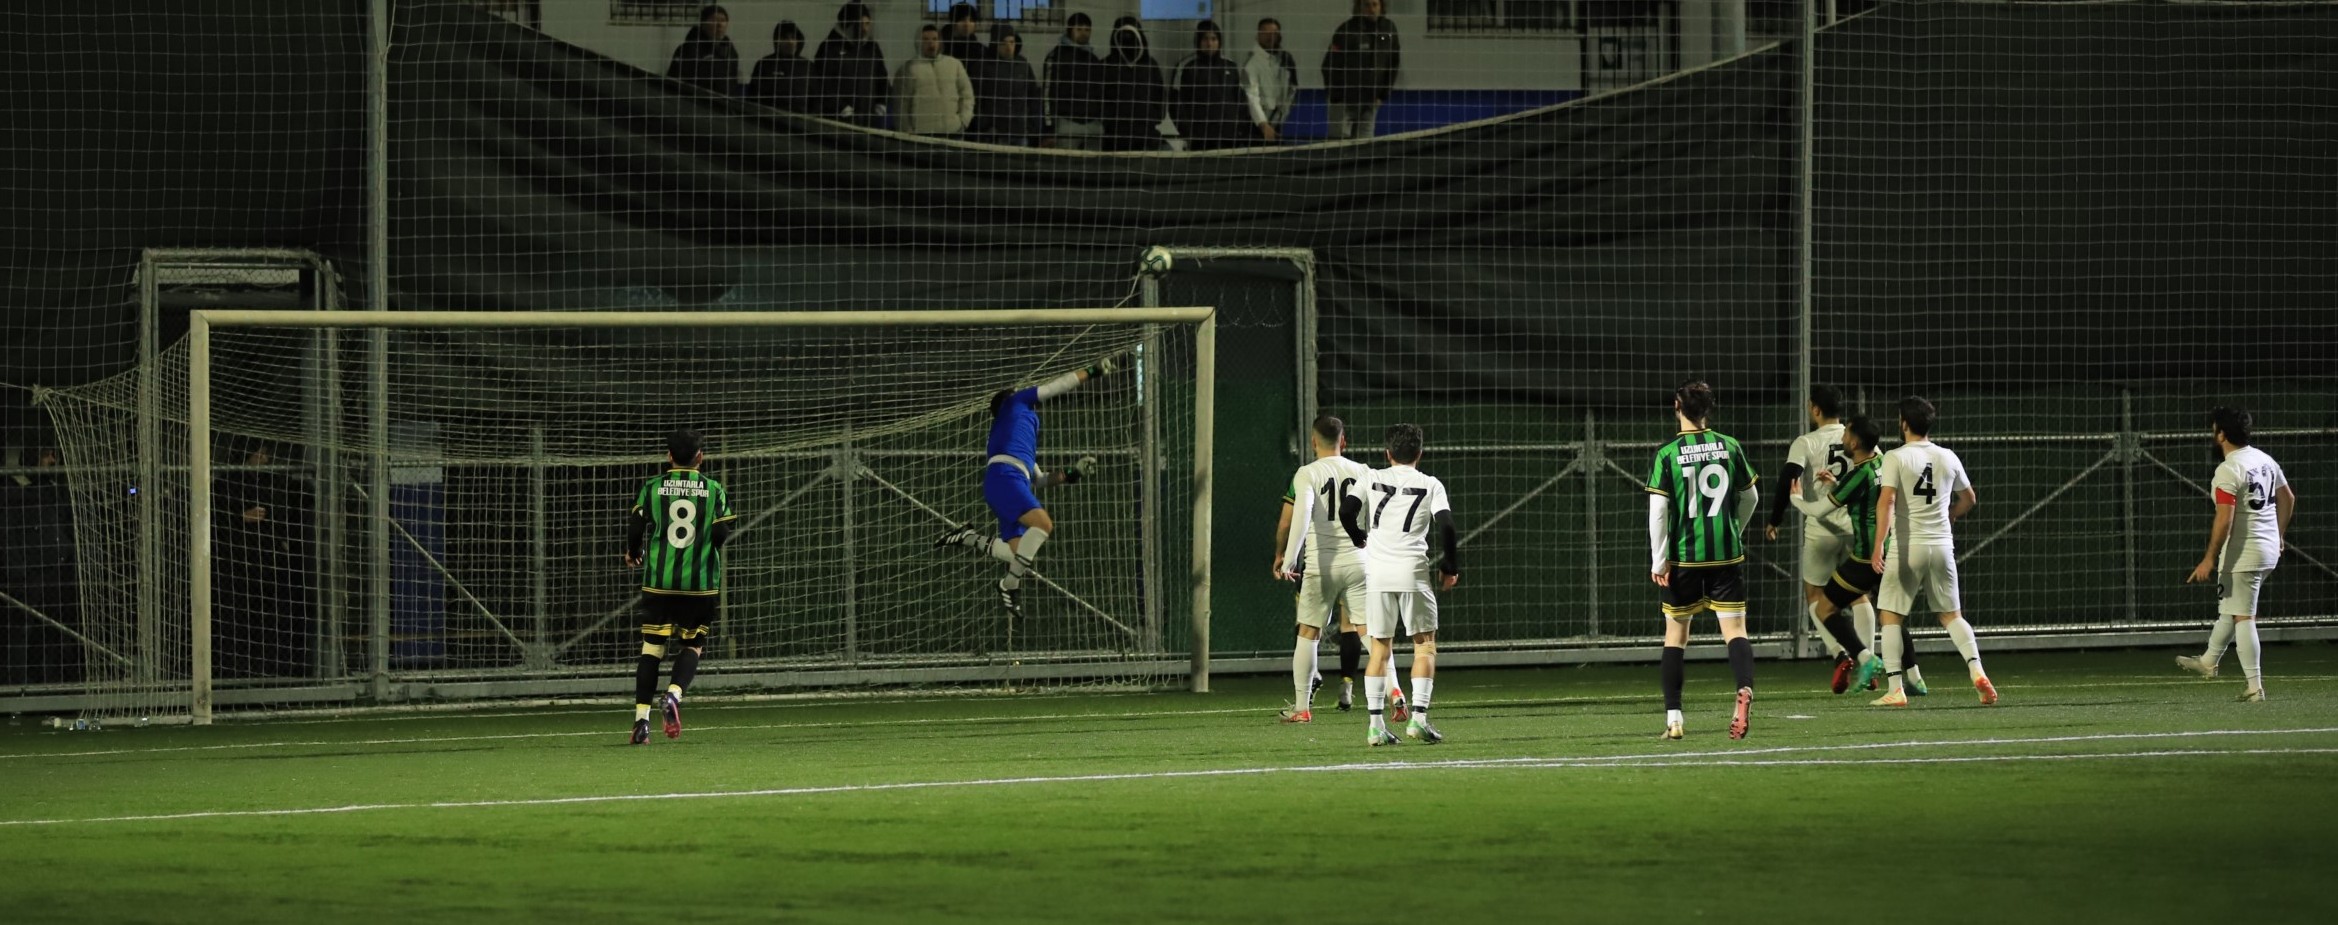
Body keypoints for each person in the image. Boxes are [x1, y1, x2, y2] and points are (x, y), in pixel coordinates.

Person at [934, 355, 1124, 615]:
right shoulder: (1015, 404)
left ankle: (968, 537)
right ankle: (1008, 585)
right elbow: (1057, 386)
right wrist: (1092, 371)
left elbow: (1042, 479)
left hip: (1008, 482)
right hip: (1005, 479)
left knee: (1017, 555)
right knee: (1044, 525)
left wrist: (1073, 473)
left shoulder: (1017, 436)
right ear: (1007, 401)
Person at [1645, 380, 1760, 740]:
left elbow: (1658, 511)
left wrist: (1658, 560)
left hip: (1684, 560)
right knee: (1736, 633)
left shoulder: (1668, 453)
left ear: (1677, 405)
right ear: (1707, 409)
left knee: (1676, 636)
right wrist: (1733, 530)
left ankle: (1674, 719)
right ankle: (1743, 689)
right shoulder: (1729, 446)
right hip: (1725, 555)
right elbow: (1751, 496)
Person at [1273, 415, 1404, 723]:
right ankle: (1395, 692)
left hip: (1321, 566)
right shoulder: (1364, 471)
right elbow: (1380, 516)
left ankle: (1302, 708)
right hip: (1360, 563)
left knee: (1308, 632)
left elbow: (1297, 516)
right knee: (1370, 634)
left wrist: (1288, 556)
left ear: (1313, 442)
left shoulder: (1306, 473)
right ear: (1344, 441)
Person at [1787, 414, 1927, 696]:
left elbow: (1817, 511)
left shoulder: (1859, 474)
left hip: (1866, 557)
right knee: (1892, 612)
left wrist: (1796, 499)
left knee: (1824, 607)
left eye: (1845, 435)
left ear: (1854, 441)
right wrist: (1837, 484)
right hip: (1891, 550)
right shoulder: (1881, 462)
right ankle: (1915, 678)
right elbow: (1870, 495)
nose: (1841, 439)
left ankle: (1865, 658)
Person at [1869, 396, 1995, 707]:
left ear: (1904, 424)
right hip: (1942, 546)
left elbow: (1886, 502)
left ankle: (1895, 689)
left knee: (1890, 616)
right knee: (1951, 615)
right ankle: (1977, 671)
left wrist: (1877, 547)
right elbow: (1969, 499)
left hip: (1907, 547)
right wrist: (1951, 514)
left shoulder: (1895, 457)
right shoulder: (1948, 457)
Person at [1337, 423, 1456, 746]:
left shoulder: (1371, 478)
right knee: (1424, 644)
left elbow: (1346, 510)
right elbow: (1446, 525)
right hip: (1412, 572)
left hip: (1377, 574)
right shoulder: (1431, 484)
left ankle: (1376, 727)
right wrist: (1449, 566)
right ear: (1420, 453)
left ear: (1387, 453)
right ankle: (1418, 719)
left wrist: (1358, 536)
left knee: (1379, 649)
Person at [623, 429, 738, 745]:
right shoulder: (713, 489)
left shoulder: (653, 487)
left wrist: (634, 553)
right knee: (693, 646)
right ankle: (673, 695)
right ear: (700, 457)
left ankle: (640, 723)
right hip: (698, 587)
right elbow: (722, 534)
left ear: (669, 456)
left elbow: (636, 525)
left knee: (652, 650)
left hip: (659, 585)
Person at [2179, 407, 2295, 702]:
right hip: (2268, 548)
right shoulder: (2264, 459)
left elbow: (2225, 518)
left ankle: (2255, 686)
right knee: (2232, 607)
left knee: (2244, 616)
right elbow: (2287, 497)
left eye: (2213, 428)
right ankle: (2208, 661)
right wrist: (2279, 534)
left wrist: (2208, 557)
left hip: (2244, 551)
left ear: (2221, 434)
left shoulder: (2228, 469)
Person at [1765, 385, 1863, 691]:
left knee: (1815, 595)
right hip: (1855, 529)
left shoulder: (1807, 442)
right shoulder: (1855, 436)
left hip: (1821, 529)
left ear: (1814, 409)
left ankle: (1840, 654)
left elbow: (1788, 478)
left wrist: (1775, 519)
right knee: (1860, 596)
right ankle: (1869, 656)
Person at [1322, 0, 1400, 140]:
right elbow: (1330, 64)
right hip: (1344, 101)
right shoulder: (1346, 30)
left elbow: (1393, 63)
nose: (1371, 9)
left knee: (1365, 147)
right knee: (1338, 145)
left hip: (1370, 101)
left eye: (1375, 4)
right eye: (1366, 5)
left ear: (1381, 7)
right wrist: (1336, 96)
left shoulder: (1388, 30)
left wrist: (1383, 95)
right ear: (1359, 7)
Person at [1170, 20, 1250, 151]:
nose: (1209, 43)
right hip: (1200, 140)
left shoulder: (1231, 66)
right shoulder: (1186, 67)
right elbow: (1176, 104)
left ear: (1219, 41)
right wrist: (1188, 134)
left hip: (1229, 138)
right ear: (1198, 41)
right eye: (1205, 39)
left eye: (1214, 39)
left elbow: (1241, 101)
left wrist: (1240, 129)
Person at [815, 2, 889, 126]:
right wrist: (840, 107)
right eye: (860, 25)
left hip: (867, 120)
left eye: (867, 24)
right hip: (837, 122)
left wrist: (881, 102)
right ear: (847, 24)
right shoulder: (829, 48)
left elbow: (882, 78)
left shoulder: (872, 48)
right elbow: (822, 83)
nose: (865, 29)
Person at [894, 24, 975, 138]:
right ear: (918, 42)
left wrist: (963, 121)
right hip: (922, 134)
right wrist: (907, 131)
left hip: (952, 132)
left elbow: (967, 95)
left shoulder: (954, 64)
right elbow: (901, 105)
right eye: (925, 39)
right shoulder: (908, 69)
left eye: (934, 39)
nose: (931, 43)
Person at [967, 24, 1041, 147]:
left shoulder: (1022, 65)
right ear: (995, 44)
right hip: (992, 134)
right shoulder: (982, 66)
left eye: (1011, 42)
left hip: (1019, 131)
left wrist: (1032, 126)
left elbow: (1033, 96)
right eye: (1003, 43)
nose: (1008, 47)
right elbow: (974, 99)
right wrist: (984, 125)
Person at [1100, 18, 1166, 152]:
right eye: (1123, 36)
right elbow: (1097, 97)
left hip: (1146, 137)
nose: (1127, 40)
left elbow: (1160, 95)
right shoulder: (1105, 65)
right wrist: (1109, 121)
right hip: (1114, 138)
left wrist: (1154, 118)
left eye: (1131, 35)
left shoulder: (1150, 65)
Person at [1042, 13, 1106, 150]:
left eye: (1087, 30)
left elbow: (1100, 92)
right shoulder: (1056, 57)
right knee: (1065, 167)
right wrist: (1048, 127)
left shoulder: (1093, 59)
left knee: (1094, 169)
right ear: (1070, 30)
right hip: (1067, 124)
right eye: (1079, 29)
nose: (1084, 33)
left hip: (1093, 124)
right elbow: (1047, 94)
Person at [1241, 18, 1298, 142]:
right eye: (1265, 33)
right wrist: (1263, 124)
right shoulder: (1252, 63)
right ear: (1258, 35)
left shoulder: (1286, 59)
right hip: (1256, 128)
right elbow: (1251, 97)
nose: (1270, 37)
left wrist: (1280, 117)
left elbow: (1292, 90)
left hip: (1279, 124)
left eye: (1274, 33)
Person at [665, 5, 741, 96]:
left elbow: (732, 84)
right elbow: (675, 82)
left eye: (723, 20)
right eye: (714, 20)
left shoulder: (730, 51)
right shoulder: (688, 49)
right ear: (703, 24)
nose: (720, 25)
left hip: (721, 106)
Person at [748, 20, 815, 112]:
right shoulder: (764, 65)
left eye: (793, 37)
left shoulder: (808, 67)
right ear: (777, 41)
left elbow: (816, 101)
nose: (790, 42)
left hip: (800, 122)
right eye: (785, 38)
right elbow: (752, 99)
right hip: (768, 121)